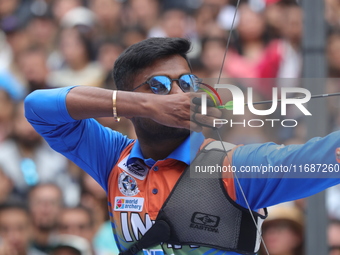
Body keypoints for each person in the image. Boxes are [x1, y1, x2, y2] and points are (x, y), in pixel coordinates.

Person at [25, 37, 340, 255]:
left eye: (187, 83)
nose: (180, 94)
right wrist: (148, 106)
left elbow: (329, 157)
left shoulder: (233, 167)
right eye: (160, 85)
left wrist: (151, 100)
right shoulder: (113, 158)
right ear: (132, 99)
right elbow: (37, 107)